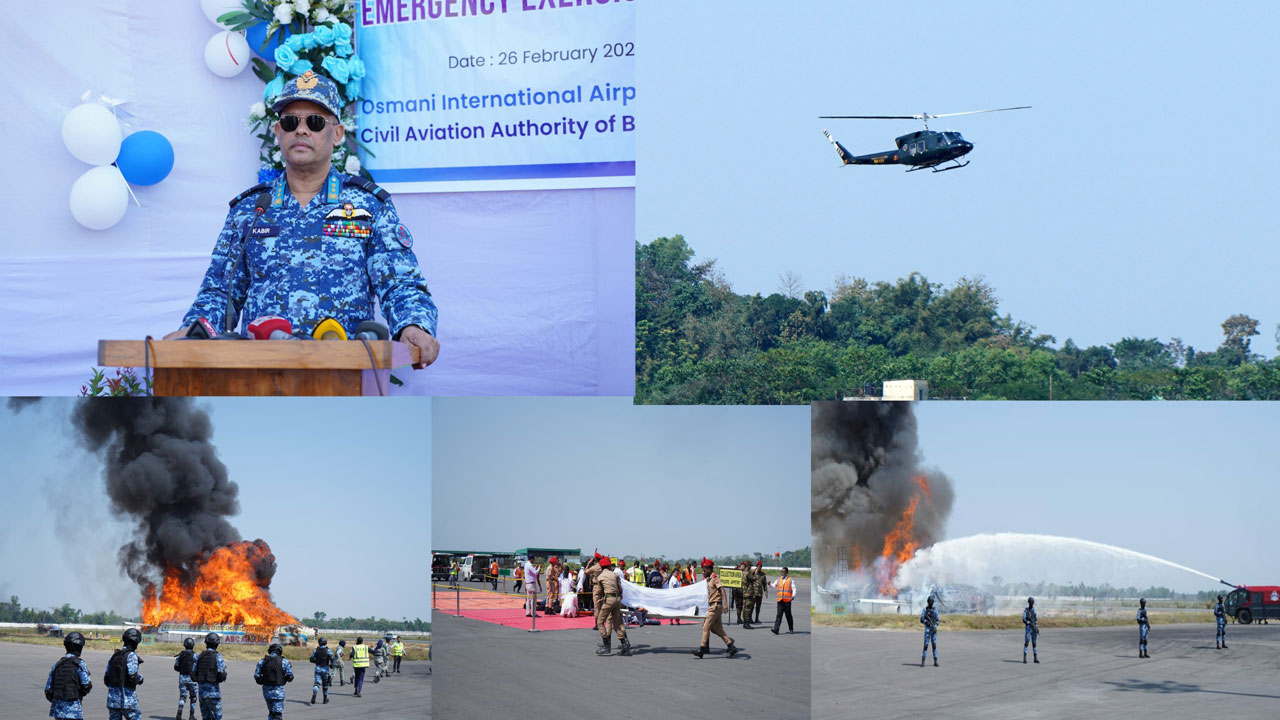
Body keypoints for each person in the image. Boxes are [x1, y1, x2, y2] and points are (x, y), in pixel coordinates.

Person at [164, 71, 440, 369]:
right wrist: (194, 331)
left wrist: (413, 325)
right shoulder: (250, 209)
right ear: (278, 132)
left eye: (316, 122)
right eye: (290, 122)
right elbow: (220, 291)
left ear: (336, 134)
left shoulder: (369, 205)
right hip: (258, 370)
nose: (302, 130)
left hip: (344, 370)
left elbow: (400, 282)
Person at [693, 558, 738, 659]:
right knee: (716, 629)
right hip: (714, 605)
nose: (702, 572)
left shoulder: (715, 578)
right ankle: (731, 646)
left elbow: (722, 591)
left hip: (715, 606)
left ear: (709, 569)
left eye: (704, 570)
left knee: (705, 627)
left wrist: (726, 604)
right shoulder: (709, 579)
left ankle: (701, 649)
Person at [45, 631, 92, 720]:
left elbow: (48, 690)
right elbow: (87, 686)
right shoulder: (79, 664)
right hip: (73, 710)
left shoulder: (56, 665)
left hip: (57, 711)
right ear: (78, 647)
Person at [595, 556, 632, 656]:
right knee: (618, 624)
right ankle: (625, 645)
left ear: (601, 567)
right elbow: (620, 589)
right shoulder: (615, 574)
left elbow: (600, 591)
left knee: (600, 622)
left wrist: (602, 599)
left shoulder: (600, 577)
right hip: (618, 599)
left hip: (609, 600)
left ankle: (606, 646)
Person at [105, 627, 144, 720]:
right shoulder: (131, 655)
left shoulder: (114, 655)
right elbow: (133, 677)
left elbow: (106, 679)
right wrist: (140, 678)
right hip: (127, 701)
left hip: (113, 700)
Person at [253, 643, 294, 720]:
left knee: (271, 712)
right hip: (278, 690)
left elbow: (256, 676)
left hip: (266, 691)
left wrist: (263, 680)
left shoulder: (262, 661)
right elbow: (290, 676)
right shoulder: (284, 661)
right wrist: (284, 679)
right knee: (277, 714)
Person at [194, 633, 227, 720]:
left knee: (205, 717)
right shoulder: (217, 656)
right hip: (213, 692)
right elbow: (222, 675)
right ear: (217, 644)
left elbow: (193, 674)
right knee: (217, 717)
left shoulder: (199, 656)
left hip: (202, 693)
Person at [173, 637, 199, 720]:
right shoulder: (195, 656)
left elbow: (176, 667)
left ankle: (179, 711)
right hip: (192, 679)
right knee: (193, 697)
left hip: (182, 678)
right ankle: (191, 716)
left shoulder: (180, 655)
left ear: (184, 645)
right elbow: (199, 666)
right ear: (193, 645)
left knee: (182, 697)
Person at [770, 567, 795, 635]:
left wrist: (793, 596)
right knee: (779, 615)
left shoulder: (790, 580)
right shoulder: (778, 580)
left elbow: (794, 588)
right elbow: (773, 586)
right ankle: (776, 630)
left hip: (787, 600)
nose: (782, 573)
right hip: (780, 600)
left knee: (788, 615)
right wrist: (769, 584)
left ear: (787, 572)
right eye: (782, 571)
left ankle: (791, 628)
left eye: (784, 572)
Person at [309, 637, 333, 704]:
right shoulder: (328, 650)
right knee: (325, 684)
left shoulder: (315, 650)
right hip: (325, 669)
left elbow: (311, 659)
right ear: (325, 642)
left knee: (317, 683)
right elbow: (332, 659)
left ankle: (315, 693)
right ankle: (325, 699)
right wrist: (331, 665)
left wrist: (316, 661)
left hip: (318, 669)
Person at [920, 596, 939, 667]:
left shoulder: (935, 610)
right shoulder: (925, 610)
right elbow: (921, 619)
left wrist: (935, 627)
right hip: (927, 630)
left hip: (933, 630)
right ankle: (923, 661)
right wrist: (927, 623)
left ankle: (935, 661)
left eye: (932, 602)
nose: (931, 603)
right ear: (928, 602)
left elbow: (937, 620)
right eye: (930, 601)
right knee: (926, 645)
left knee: (934, 645)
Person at [742, 563, 760, 629]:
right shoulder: (748, 573)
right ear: (748, 566)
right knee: (748, 608)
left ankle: (745, 622)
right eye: (750, 566)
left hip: (744, 592)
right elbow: (754, 578)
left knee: (744, 608)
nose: (751, 567)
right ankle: (747, 623)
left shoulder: (743, 573)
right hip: (748, 593)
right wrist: (754, 573)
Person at [1022, 597, 1039, 663]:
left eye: (1032, 602)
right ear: (1029, 602)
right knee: (1026, 642)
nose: (1032, 603)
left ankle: (1035, 658)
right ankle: (1024, 658)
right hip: (1028, 628)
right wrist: (1028, 623)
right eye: (1031, 602)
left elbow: (1036, 619)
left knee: (1034, 643)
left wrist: (1036, 627)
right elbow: (1023, 619)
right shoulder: (1026, 610)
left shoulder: (1034, 610)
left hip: (1033, 627)